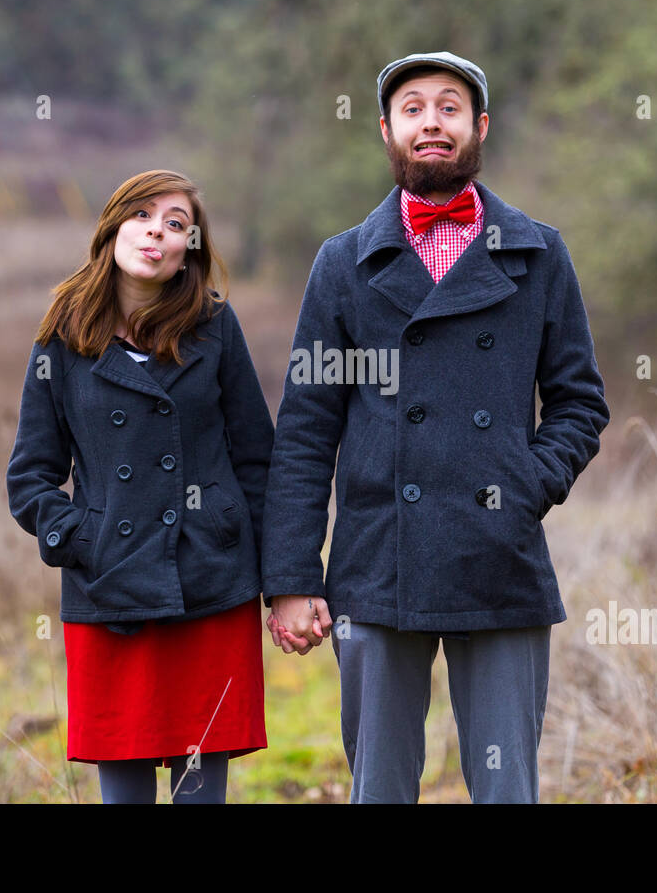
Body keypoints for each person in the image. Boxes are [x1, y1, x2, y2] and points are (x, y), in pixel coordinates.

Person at [261, 52, 611, 803]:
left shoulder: (539, 254)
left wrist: (524, 484)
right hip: (376, 560)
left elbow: (580, 403)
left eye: (449, 107)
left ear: (479, 128)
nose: (431, 123)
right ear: (386, 131)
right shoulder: (343, 264)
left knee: (506, 787)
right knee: (381, 788)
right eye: (412, 108)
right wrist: (291, 576)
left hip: (500, 555)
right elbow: (306, 431)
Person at [6, 169, 274, 803]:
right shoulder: (61, 338)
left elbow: (259, 458)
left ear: (191, 251)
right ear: (113, 228)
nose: (158, 231)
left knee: (200, 791)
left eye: (177, 224)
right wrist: (83, 539)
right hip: (111, 591)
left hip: (209, 583)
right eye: (143, 216)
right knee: (124, 794)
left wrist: (280, 574)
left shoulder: (215, 328)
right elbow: (30, 476)